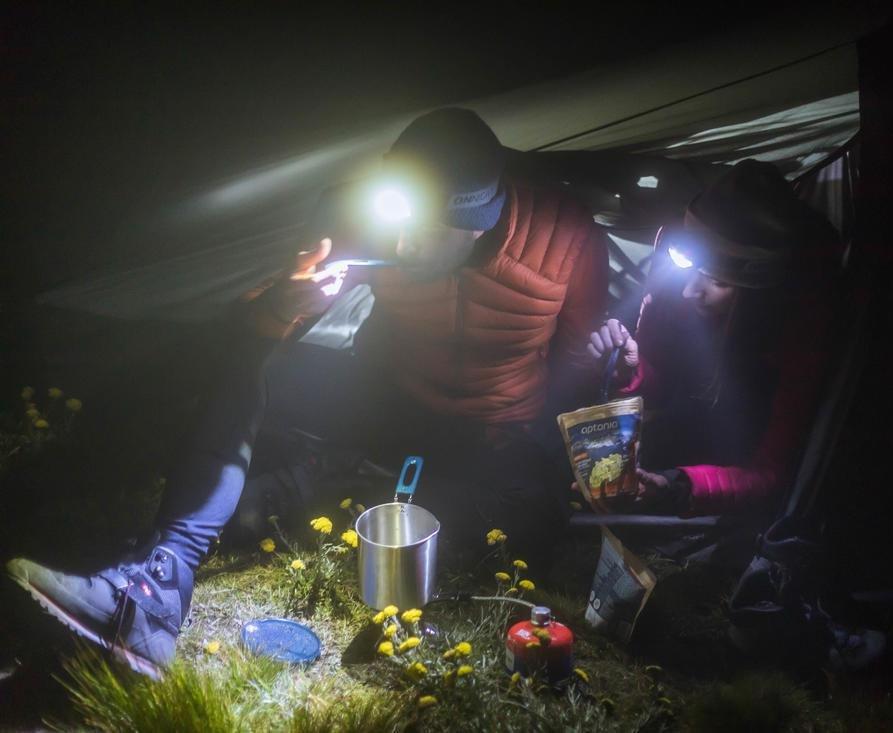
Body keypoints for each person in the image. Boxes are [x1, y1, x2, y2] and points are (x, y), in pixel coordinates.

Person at [6, 108, 608, 677]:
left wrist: (620, 365)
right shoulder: (362, 215)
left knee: (524, 524)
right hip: (385, 400)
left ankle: (331, 482)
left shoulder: (564, 237)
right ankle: (161, 580)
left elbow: (581, 368)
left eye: (425, 229)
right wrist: (280, 304)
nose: (402, 245)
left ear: (474, 220)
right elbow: (262, 325)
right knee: (246, 358)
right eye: (401, 221)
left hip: (493, 433)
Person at [584, 159, 842, 517]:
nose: (691, 291)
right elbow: (658, 384)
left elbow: (770, 472)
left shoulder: (794, 336)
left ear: (756, 288)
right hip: (670, 447)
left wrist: (676, 486)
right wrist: (629, 372)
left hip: (726, 482)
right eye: (692, 269)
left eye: (718, 281)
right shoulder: (673, 293)